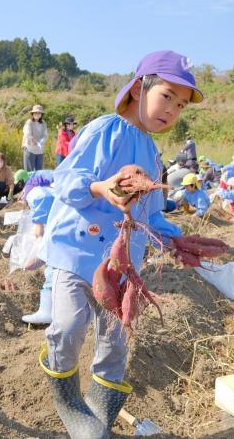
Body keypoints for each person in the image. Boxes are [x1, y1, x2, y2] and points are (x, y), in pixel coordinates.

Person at [39, 50, 203, 437]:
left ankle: (99, 412)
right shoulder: (105, 130)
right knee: (68, 327)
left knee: (116, 340)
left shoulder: (152, 154)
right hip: (76, 251)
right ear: (138, 89)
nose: (172, 110)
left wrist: (176, 240)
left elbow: (151, 215)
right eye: (167, 96)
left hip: (122, 263)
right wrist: (100, 187)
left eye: (181, 105)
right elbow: (65, 179)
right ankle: (67, 400)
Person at [20, 180, 56, 324]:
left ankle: (46, 312)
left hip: (58, 257)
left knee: (52, 277)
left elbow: (31, 264)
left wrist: (38, 241)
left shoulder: (38, 195)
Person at [22, 104, 48, 171]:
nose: (37, 114)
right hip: (30, 148)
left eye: (39, 113)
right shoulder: (29, 122)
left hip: (39, 150)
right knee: (29, 171)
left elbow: (45, 134)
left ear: (41, 114)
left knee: (39, 171)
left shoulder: (43, 123)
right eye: (36, 113)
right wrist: (33, 140)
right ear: (32, 114)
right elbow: (27, 133)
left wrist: (41, 142)